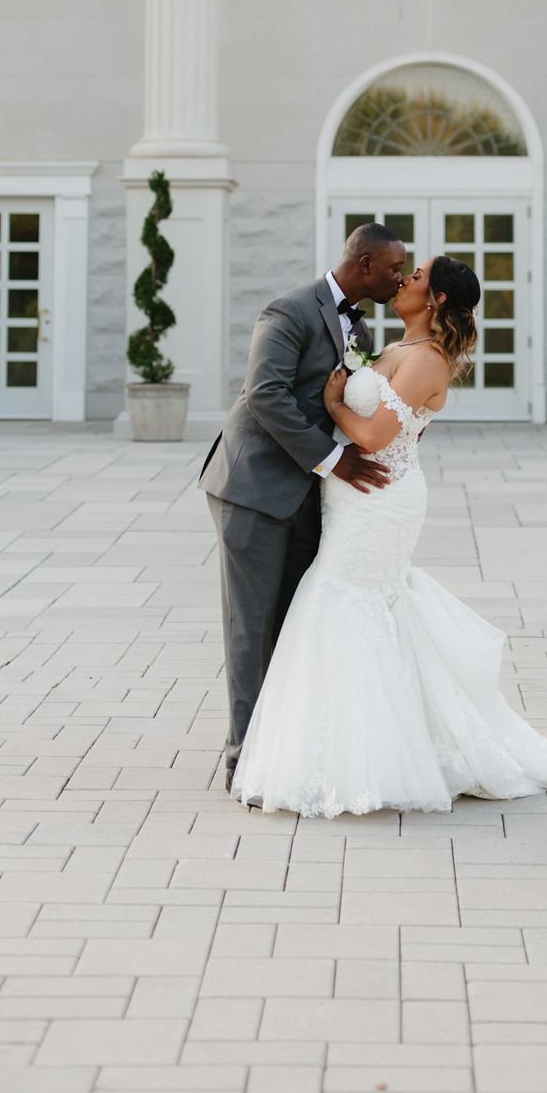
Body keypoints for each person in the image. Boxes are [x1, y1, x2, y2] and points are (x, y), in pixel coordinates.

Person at [230, 254, 547, 817]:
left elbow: (372, 437)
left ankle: (364, 759)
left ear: (437, 299)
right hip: (352, 497)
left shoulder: (428, 360)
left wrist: (333, 404)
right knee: (356, 605)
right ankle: (349, 745)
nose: (405, 280)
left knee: (343, 601)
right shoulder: (389, 348)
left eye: (417, 276)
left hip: (378, 497)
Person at [201, 223, 408, 790]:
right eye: (394, 268)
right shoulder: (288, 311)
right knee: (252, 629)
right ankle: (242, 762)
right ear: (364, 264)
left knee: (294, 629)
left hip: (307, 496)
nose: (401, 277)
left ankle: (282, 754)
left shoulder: (358, 323)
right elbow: (264, 394)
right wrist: (332, 461)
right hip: (255, 489)